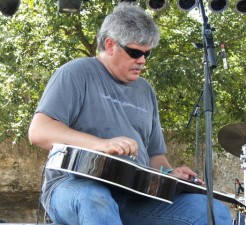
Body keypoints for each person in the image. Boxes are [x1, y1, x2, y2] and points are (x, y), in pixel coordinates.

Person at [28, 3, 232, 225]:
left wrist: (169, 174)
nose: (142, 60)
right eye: (135, 52)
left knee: (214, 212)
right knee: (96, 199)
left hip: (134, 195)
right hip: (72, 187)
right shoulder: (75, 74)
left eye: (147, 54)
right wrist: (101, 144)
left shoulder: (145, 90)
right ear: (110, 45)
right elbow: (39, 131)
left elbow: (155, 156)